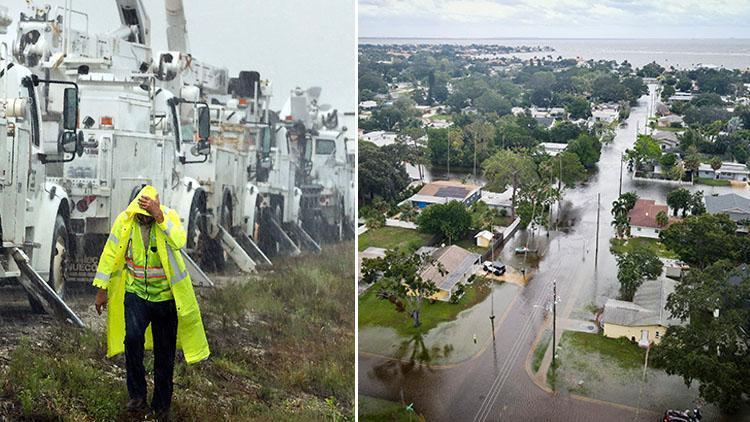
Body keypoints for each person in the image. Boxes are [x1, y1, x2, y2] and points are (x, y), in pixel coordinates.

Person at [93, 185, 209, 421]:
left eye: (148, 212)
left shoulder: (168, 217)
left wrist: (159, 216)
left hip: (165, 299)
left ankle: (161, 406)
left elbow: (178, 240)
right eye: (141, 212)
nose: (143, 217)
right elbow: (109, 253)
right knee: (132, 340)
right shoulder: (125, 222)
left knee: (164, 354)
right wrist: (101, 290)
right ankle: (137, 396)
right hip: (137, 295)